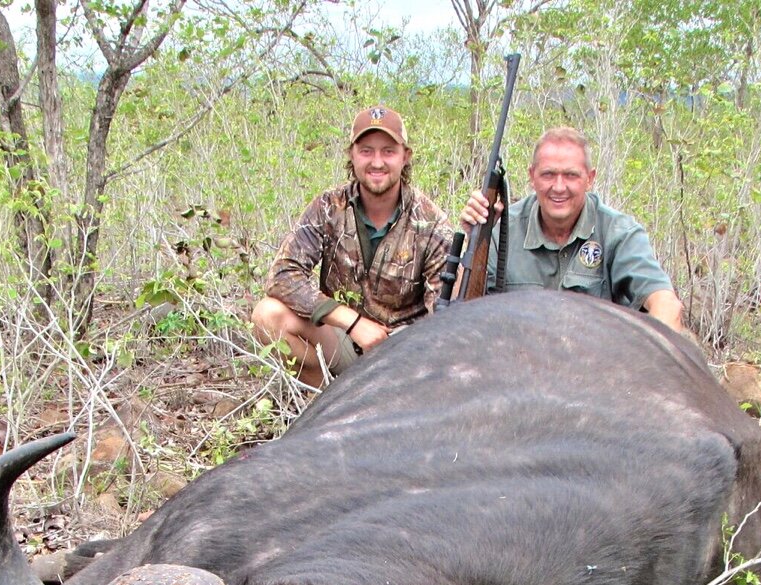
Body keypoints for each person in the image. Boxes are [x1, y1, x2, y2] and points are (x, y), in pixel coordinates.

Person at [252, 106, 453, 389]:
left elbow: (443, 313)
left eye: (388, 151)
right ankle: (324, 406)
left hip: (402, 354)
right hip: (343, 337)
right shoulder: (328, 206)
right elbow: (283, 275)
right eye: (366, 151)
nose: (377, 162)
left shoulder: (431, 221)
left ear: (405, 157)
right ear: (352, 154)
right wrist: (353, 322)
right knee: (267, 315)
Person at [460, 126, 687, 334]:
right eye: (548, 174)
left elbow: (666, 306)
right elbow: (458, 310)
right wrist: (475, 241)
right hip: (519, 362)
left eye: (571, 175)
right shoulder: (502, 229)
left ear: (590, 178)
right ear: (532, 177)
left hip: (598, 366)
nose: (559, 187)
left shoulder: (619, 233)